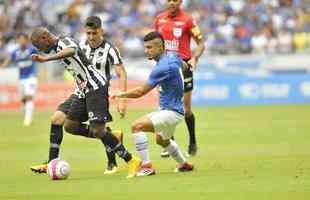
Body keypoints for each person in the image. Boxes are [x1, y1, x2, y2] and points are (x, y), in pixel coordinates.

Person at [30, 27, 141, 178]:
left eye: (39, 46)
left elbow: (71, 50)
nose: (40, 50)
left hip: (95, 86)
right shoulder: (57, 47)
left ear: (44, 38)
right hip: (82, 89)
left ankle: (131, 160)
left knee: (98, 131)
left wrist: (46, 59)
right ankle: (51, 162)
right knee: (64, 123)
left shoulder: (64, 41)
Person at [112, 31, 193, 176]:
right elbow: (185, 66)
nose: (146, 51)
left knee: (136, 126)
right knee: (162, 140)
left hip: (171, 112)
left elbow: (140, 92)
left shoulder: (161, 67)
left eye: (150, 47)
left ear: (161, 47)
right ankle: (184, 164)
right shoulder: (173, 56)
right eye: (145, 47)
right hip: (175, 110)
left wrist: (121, 94)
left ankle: (146, 166)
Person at [154, 0, 205, 157]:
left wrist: (194, 59)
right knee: (165, 108)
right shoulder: (159, 19)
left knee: (186, 109)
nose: (172, 3)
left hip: (183, 68)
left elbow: (201, 43)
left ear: (180, 1)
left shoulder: (188, 20)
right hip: (164, 69)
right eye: (169, 0)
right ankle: (169, 144)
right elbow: (156, 44)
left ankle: (193, 141)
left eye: (175, 0)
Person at [0, 33, 38, 126]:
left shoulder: (32, 49)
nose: (21, 42)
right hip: (21, 78)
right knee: (23, 99)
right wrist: (3, 66)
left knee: (29, 97)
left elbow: (40, 55)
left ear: (26, 40)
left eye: (22, 40)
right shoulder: (16, 51)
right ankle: (26, 114)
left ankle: (27, 120)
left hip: (31, 77)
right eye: (19, 40)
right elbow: (9, 59)